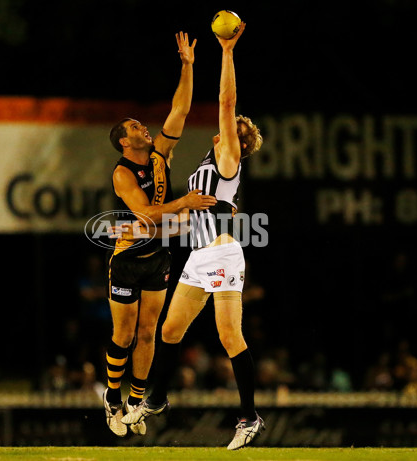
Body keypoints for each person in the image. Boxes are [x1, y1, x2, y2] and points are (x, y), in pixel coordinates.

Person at [122, 23, 266, 450]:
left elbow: (226, 100)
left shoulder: (227, 158)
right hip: (201, 256)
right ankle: (158, 400)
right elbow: (204, 210)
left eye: (231, 130)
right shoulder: (210, 168)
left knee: (229, 337)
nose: (223, 127)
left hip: (222, 256)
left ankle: (249, 417)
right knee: (170, 331)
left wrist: (226, 52)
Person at [103, 31, 217, 438]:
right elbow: (146, 213)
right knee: (123, 333)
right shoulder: (122, 173)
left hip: (159, 257)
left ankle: (136, 402)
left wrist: (187, 66)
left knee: (149, 332)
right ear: (123, 140)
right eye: (135, 126)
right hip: (128, 259)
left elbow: (180, 110)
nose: (144, 128)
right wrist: (184, 203)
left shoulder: (159, 155)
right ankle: (112, 399)